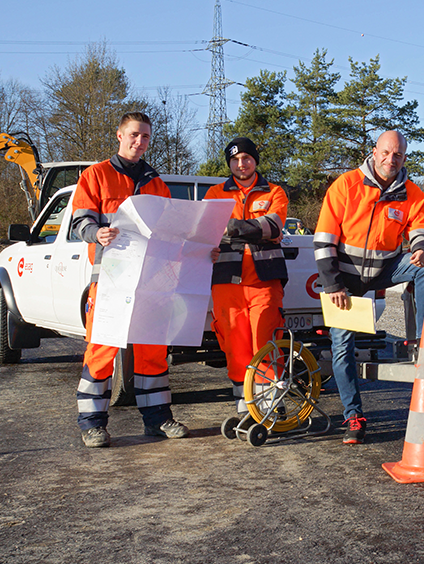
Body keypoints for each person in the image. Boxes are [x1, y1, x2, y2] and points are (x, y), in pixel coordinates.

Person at [71, 112, 190, 447]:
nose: (140, 142)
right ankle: (92, 424)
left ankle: (158, 420)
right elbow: (81, 223)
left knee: (152, 351)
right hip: (110, 280)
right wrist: (97, 233)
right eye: (135, 135)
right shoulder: (95, 175)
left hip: (151, 281)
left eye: (146, 137)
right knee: (102, 349)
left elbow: (168, 230)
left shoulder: (156, 183)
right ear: (120, 136)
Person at [314, 130, 424, 444]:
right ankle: (353, 416)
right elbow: (323, 242)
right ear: (374, 152)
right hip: (345, 280)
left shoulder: (411, 193)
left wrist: (422, 248)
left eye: (397, 155)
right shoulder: (346, 186)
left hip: (384, 270)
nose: (390, 160)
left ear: (404, 158)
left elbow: (423, 228)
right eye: (385, 153)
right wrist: (333, 286)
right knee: (342, 348)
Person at [204, 137, 288, 418]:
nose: (242, 164)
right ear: (229, 163)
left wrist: (230, 228)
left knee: (266, 339)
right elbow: (205, 231)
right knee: (235, 342)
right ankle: (245, 401)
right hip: (227, 282)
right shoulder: (215, 193)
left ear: (255, 161)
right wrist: (249, 228)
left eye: (247, 158)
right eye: (235, 160)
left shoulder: (275, 192)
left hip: (265, 281)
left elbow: (273, 226)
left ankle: (271, 400)